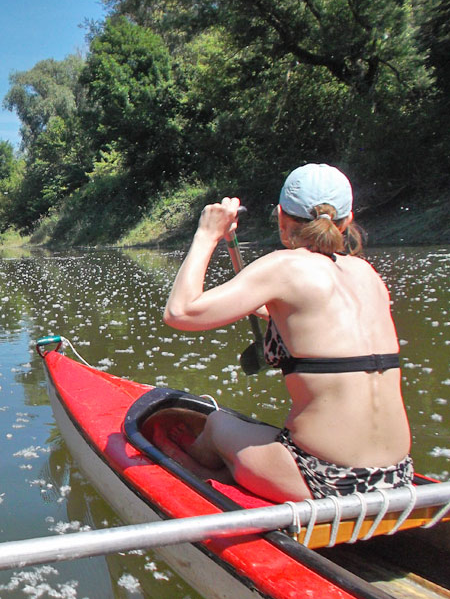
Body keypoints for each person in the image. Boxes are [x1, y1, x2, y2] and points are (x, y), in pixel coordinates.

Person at [162, 163, 413, 502]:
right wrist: (260, 306)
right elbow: (317, 327)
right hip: (398, 477)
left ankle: (203, 471)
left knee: (217, 425)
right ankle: (233, 470)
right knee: (266, 432)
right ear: (348, 220)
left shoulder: (283, 266)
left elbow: (180, 312)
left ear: (281, 218)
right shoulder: (367, 274)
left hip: (325, 480)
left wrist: (207, 234)